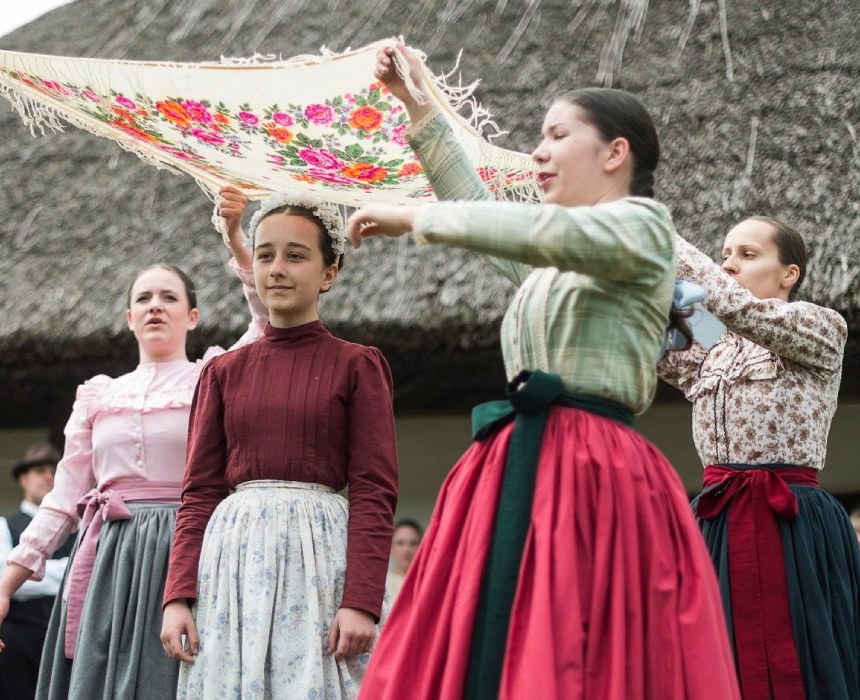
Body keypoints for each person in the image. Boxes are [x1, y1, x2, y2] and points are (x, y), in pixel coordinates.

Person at [344, 45, 738, 699]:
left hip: (591, 470)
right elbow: (482, 203)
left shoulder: (644, 228)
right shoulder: (555, 259)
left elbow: (545, 231)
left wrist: (414, 218)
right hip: (515, 459)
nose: (538, 152)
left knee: (575, 646)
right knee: (493, 641)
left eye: (557, 135)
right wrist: (418, 105)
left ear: (614, 153)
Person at [0, 185, 267, 699]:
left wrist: (237, 238)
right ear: (130, 318)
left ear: (192, 317)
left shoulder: (213, 375)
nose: (156, 306)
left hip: (191, 547)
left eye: (169, 297)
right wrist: (6, 586)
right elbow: (63, 500)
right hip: (112, 555)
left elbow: (265, 321)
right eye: (143, 299)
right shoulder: (98, 394)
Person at [160, 193, 399, 699]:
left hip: (319, 565)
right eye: (265, 255)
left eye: (296, 255)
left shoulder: (358, 365)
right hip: (233, 567)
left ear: (329, 273)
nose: (276, 269)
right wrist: (177, 595)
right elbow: (199, 492)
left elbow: (375, 492)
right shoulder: (223, 372)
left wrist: (361, 600)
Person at [657, 216, 859, 699]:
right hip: (716, 520)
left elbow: (737, 307)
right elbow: (647, 327)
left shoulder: (820, 326)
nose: (729, 265)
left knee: (805, 658)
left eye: (748, 255)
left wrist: (653, 231)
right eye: (725, 255)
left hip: (792, 519)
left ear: (790, 273)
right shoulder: (713, 345)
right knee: (711, 660)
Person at [0, 443, 75, 700]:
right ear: (23, 479)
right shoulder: (0, 527)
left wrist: (21, 572)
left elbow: (86, 579)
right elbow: (0, 578)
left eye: (54, 471)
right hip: (16, 646)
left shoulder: (79, 531)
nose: (48, 477)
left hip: (65, 642)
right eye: (40, 471)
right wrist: (66, 570)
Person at [386, 518, 422, 603]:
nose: (407, 549)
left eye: (413, 543)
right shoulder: (382, 585)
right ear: (391, 547)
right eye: (400, 543)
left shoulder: (427, 583)